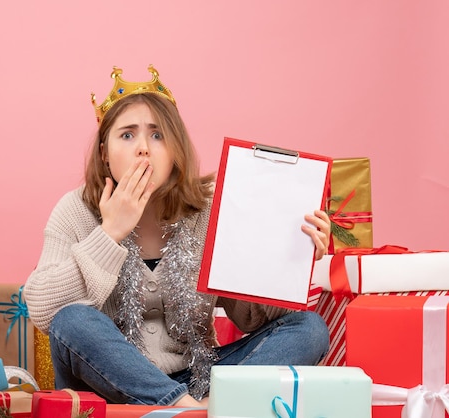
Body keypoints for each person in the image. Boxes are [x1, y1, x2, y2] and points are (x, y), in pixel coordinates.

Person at [24, 65, 330, 407]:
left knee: (310, 327)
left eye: (157, 135)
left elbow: (252, 317)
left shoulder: (209, 208)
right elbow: (44, 308)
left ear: (175, 151)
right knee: (73, 318)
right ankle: (190, 412)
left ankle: (210, 407)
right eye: (127, 135)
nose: (144, 148)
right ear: (104, 154)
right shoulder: (75, 210)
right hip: (107, 386)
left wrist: (290, 260)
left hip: (201, 380)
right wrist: (110, 232)